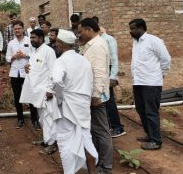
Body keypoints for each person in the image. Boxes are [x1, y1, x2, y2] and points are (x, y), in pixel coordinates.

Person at [48, 29, 98, 174]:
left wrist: (58, 96)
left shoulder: (61, 61)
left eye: (56, 43)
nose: (55, 46)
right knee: (85, 139)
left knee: (65, 143)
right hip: (82, 107)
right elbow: (90, 83)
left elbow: (57, 81)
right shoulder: (84, 60)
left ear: (62, 44)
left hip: (67, 108)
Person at [129, 18, 171, 150]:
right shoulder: (135, 42)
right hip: (138, 81)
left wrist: (161, 73)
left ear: (141, 28)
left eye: (133, 28)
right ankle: (150, 134)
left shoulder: (153, 41)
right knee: (141, 109)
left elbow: (166, 59)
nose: (130, 31)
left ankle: (156, 141)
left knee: (151, 112)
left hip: (151, 83)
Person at [78, 18, 113, 174]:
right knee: (96, 131)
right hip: (92, 95)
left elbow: (99, 72)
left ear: (88, 30)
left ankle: (106, 167)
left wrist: (96, 95)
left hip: (96, 96)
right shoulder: (91, 45)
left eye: (81, 32)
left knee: (101, 132)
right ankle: (99, 163)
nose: (79, 35)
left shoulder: (97, 46)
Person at [20, 29, 57, 155]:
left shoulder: (48, 51)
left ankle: (52, 144)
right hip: (36, 91)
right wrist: (26, 67)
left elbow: (53, 71)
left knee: (48, 118)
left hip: (45, 90)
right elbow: (34, 68)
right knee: (42, 118)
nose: (31, 40)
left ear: (41, 38)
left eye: (34, 38)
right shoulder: (35, 51)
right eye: (30, 38)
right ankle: (46, 139)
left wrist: (50, 89)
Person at [92, 16, 126, 138]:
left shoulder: (108, 39)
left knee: (110, 100)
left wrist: (113, 77)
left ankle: (117, 127)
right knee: (104, 100)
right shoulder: (95, 40)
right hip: (100, 72)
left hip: (108, 71)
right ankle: (108, 126)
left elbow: (114, 59)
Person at [5, 21, 40, 129]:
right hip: (15, 73)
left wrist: (25, 55)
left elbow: (36, 55)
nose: (17, 30)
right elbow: (7, 58)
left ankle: (35, 120)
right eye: (15, 29)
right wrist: (14, 56)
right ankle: (20, 118)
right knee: (17, 97)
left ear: (23, 29)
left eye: (19, 28)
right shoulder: (11, 43)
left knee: (30, 95)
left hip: (27, 73)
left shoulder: (30, 41)